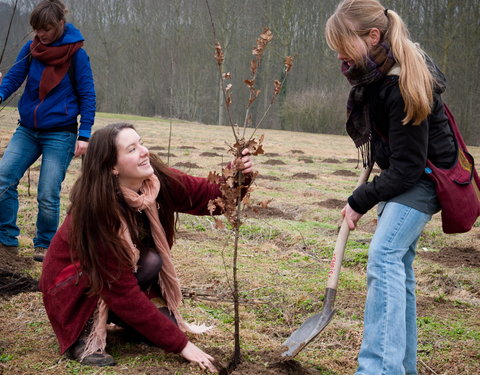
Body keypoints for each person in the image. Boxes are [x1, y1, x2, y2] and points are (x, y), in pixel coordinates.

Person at [39, 123, 254, 371]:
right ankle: (85, 333)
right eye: (132, 149)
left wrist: (237, 174)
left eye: (141, 143)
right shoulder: (96, 211)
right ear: (113, 167)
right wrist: (184, 346)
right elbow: (120, 290)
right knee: (166, 331)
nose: (144, 152)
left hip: (117, 281)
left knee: (152, 264)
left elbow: (208, 197)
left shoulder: (154, 181)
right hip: (71, 287)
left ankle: (121, 317)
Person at [325, 1, 456, 374]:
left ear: (373, 36)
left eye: (343, 44)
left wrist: (359, 200)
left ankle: (378, 369)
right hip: (409, 176)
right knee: (398, 265)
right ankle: (402, 367)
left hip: (425, 181)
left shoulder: (401, 81)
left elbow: (409, 168)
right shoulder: (376, 75)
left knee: (384, 257)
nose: (339, 54)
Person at [0, 0, 95, 262]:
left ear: (60, 25)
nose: (41, 34)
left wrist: (84, 134)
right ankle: (6, 239)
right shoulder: (32, 49)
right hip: (27, 131)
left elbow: (87, 94)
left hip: (61, 134)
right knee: (3, 178)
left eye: (46, 29)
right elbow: (14, 78)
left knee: (47, 192)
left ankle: (45, 245)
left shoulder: (76, 54)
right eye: (37, 29)